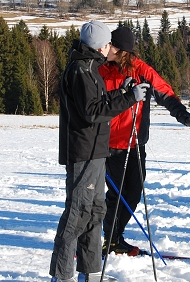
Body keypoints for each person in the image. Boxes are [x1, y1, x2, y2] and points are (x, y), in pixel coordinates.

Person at [49, 21, 149, 282]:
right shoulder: (81, 70)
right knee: (77, 214)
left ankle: (91, 273)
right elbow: (92, 112)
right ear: (99, 45)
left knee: (94, 213)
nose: (109, 49)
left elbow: (99, 103)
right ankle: (62, 276)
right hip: (83, 152)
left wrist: (124, 91)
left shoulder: (91, 68)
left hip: (96, 152)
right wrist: (129, 98)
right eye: (107, 44)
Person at [98, 25, 190, 256]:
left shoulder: (141, 70)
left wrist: (183, 116)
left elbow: (165, 93)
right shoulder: (100, 69)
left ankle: (114, 237)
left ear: (121, 49)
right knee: (116, 194)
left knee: (133, 193)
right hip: (107, 144)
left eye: (111, 45)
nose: (106, 48)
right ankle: (109, 240)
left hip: (134, 144)